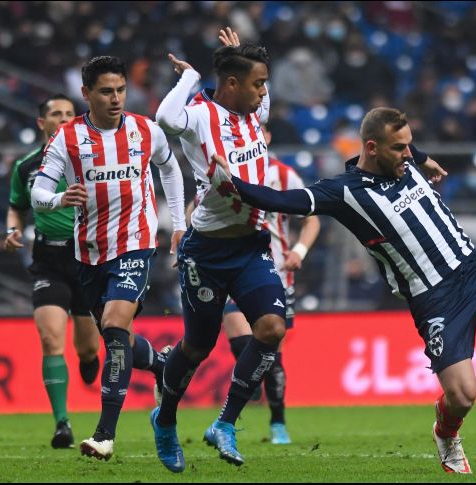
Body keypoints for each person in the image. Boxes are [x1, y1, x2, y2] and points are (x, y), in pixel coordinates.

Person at [209, 107, 476, 474]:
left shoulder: (407, 162)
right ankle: (446, 434)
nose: (408, 154)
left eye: (410, 146)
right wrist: (232, 185)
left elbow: (406, 147)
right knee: (463, 396)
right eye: (399, 148)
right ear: (372, 148)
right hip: (436, 298)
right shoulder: (343, 192)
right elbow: (282, 200)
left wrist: (422, 157)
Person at [31, 56, 187, 461]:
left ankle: (104, 435)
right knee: (118, 339)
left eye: (120, 90)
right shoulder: (67, 137)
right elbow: (38, 193)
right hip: (88, 253)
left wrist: (180, 222)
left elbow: (170, 169)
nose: (116, 98)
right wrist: (60, 198)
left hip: (135, 244)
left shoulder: (146, 130)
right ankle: (161, 365)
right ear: (86, 94)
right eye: (106, 91)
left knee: (116, 326)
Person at [150, 28, 287, 472]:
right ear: (231, 84)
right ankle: (165, 420)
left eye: (264, 83)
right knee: (197, 346)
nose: (263, 92)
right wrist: (190, 77)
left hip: (251, 245)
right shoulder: (197, 116)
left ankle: (225, 423)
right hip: (207, 251)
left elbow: (253, 85)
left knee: (271, 328)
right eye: (257, 83)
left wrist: (238, 54)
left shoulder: (254, 108)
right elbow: (164, 116)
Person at [4, 93, 100, 449]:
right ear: (41, 123)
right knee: (50, 339)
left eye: (69, 113)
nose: (63, 119)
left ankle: (89, 357)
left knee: (87, 348)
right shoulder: (26, 166)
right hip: (49, 260)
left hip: (87, 257)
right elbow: (16, 207)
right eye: (56, 114)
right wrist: (12, 229)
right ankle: (62, 423)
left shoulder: (93, 159)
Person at [221, 124, 320, 445]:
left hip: (276, 272)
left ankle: (278, 422)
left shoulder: (283, 174)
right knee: (242, 342)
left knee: (272, 356)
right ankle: (248, 382)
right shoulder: (225, 170)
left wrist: (299, 250)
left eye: (259, 131)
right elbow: (198, 206)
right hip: (233, 269)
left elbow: (312, 218)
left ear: (267, 136)